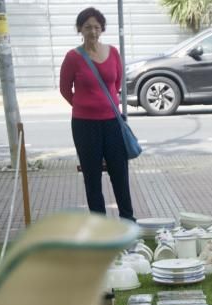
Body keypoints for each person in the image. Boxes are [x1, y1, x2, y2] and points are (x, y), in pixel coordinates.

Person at [59, 7, 134, 221]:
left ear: (102, 28)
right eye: (87, 27)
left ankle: (128, 220)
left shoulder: (113, 52)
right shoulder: (73, 57)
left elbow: (117, 83)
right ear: (80, 29)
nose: (92, 31)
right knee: (92, 177)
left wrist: (103, 105)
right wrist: (84, 105)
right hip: (85, 125)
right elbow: (65, 89)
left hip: (113, 122)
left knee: (119, 173)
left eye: (96, 27)